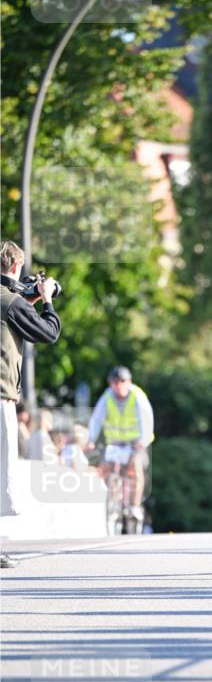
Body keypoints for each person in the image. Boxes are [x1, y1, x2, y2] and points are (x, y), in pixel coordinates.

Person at [0, 240, 61, 568]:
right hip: (1, 399)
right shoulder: (10, 303)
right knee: (1, 472)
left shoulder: (10, 301)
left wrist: (28, 299)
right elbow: (48, 333)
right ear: (14, 268)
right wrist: (47, 299)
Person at [87, 366, 154, 521]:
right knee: (103, 469)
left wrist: (143, 440)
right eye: (115, 382)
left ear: (129, 382)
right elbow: (97, 419)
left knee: (135, 469)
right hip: (115, 443)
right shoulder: (107, 397)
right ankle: (108, 499)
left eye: (122, 381)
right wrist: (90, 440)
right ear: (110, 384)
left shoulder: (137, 396)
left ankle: (134, 507)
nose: (119, 385)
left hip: (135, 443)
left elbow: (147, 418)